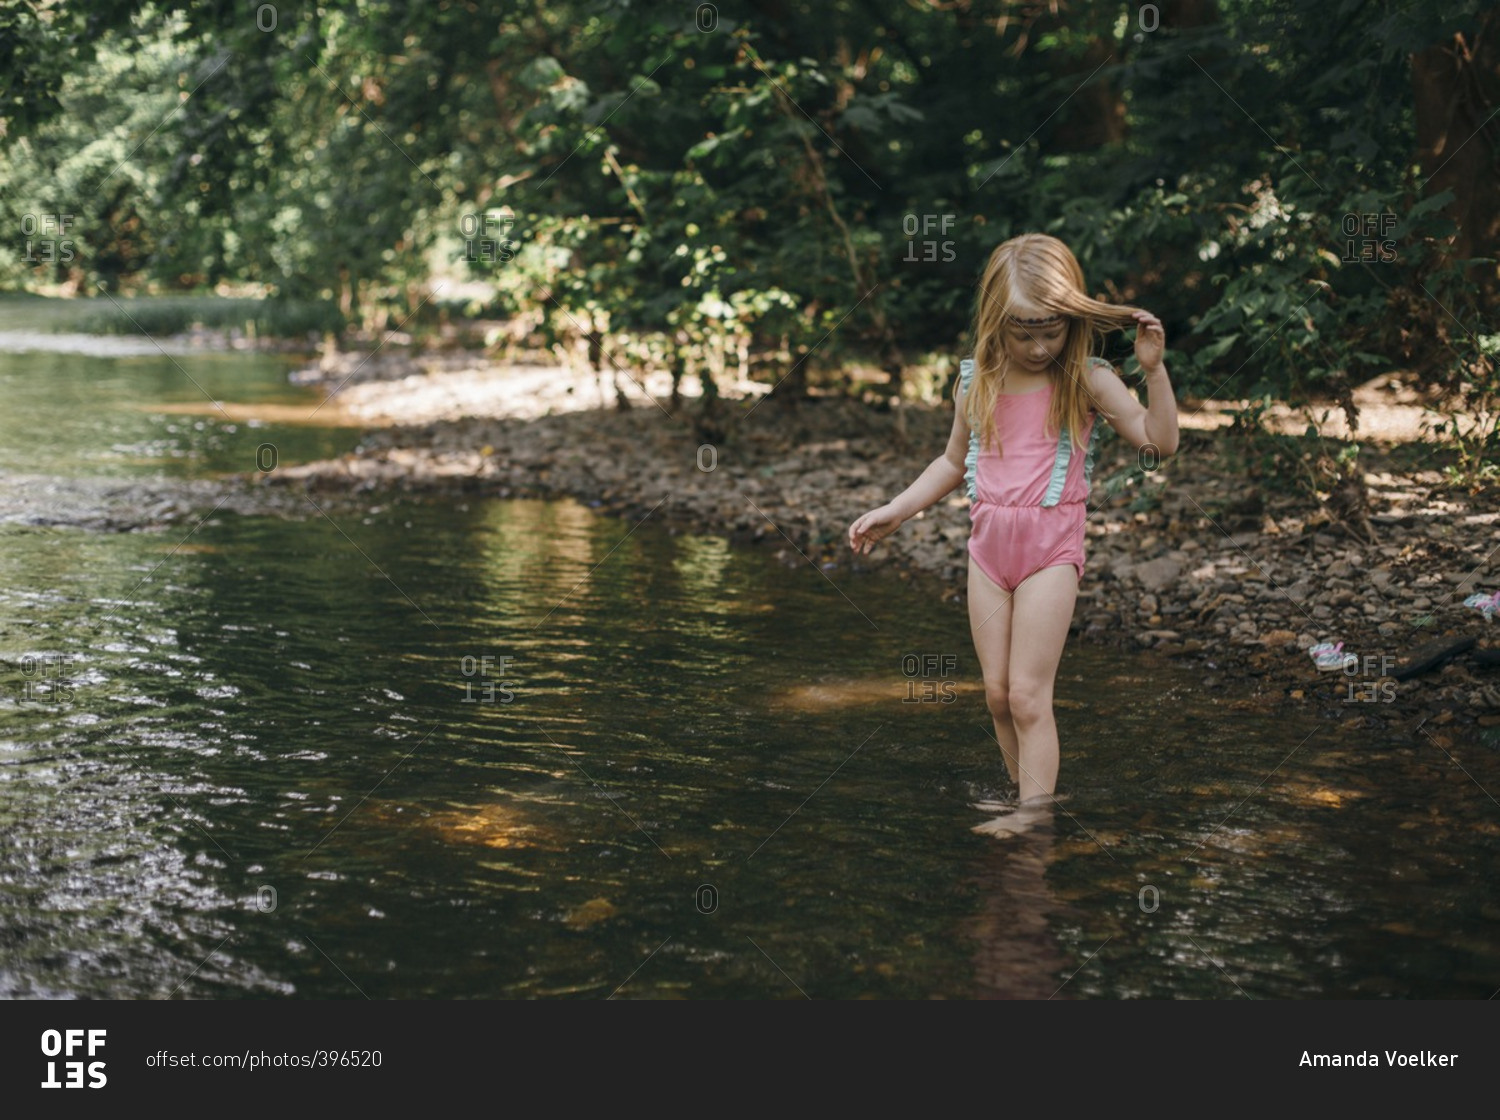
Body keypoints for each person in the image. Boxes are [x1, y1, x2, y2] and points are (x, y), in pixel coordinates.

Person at [848, 233, 1179, 834]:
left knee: (1028, 695)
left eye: (1051, 330)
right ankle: (1015, 793)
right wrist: (898, 510)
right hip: (987, 551)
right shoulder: (977, 381)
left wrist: (1153, 373)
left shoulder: (1089, 378)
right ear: (994, 322)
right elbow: (952, 463)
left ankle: (1035, 816)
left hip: (1050, 550)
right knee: (997, 695)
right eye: (1022, 332)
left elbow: (1159, 444)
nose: (1037, 345)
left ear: (1071, 321)